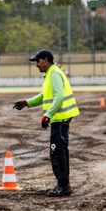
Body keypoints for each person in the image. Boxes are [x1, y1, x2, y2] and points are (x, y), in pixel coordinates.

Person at [13, 49, 80, 196]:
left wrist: (47, 116)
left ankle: (63, 186)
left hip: (59, 119)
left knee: (57, 152)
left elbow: (59, 97)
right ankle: (63, 184)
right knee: (60, 151)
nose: (36, 64)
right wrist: (26, 103)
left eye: (38, 61)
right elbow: (46, 95)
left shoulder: (54, 73)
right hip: (60, 118)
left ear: (45, 60)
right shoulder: (51, 73)